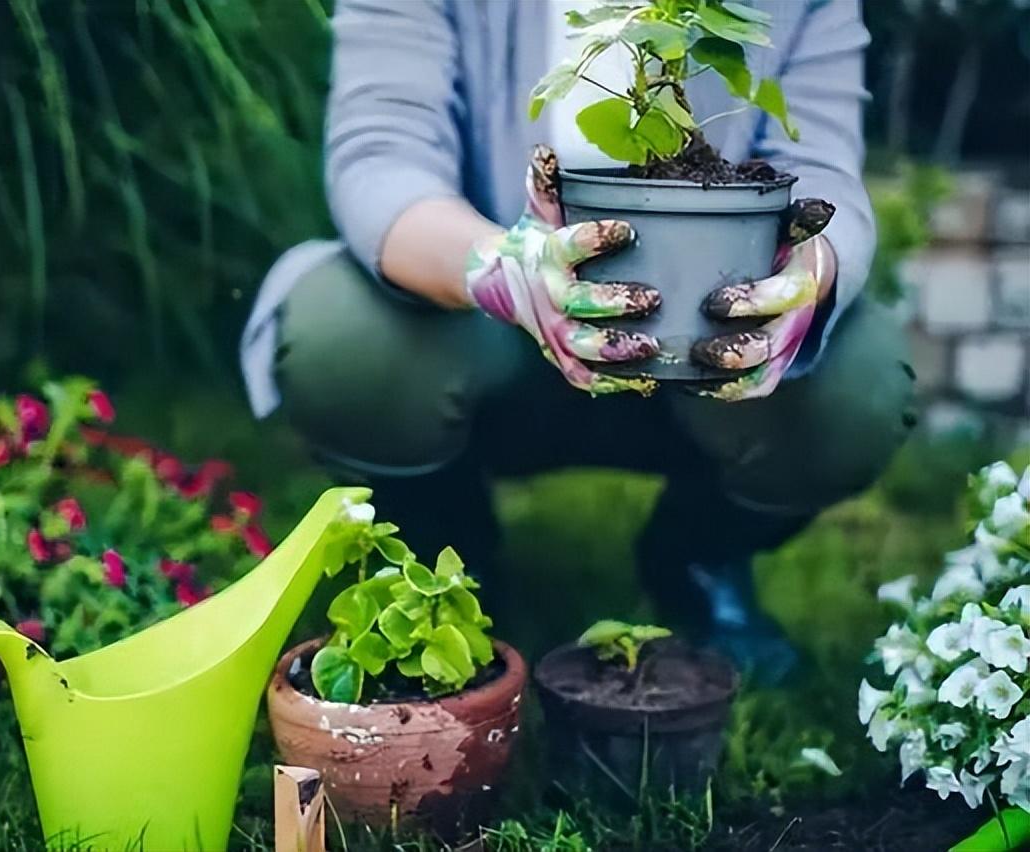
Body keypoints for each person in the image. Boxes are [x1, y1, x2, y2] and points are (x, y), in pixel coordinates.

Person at [240, 0, 916, 682]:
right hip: (478, 332)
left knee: (856, 386)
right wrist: (505, 271)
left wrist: (809, 275)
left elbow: (820, 165)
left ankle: (698, 553)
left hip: (707, 338)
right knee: (341, 337)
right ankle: (445, 542)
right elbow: (382, 157)